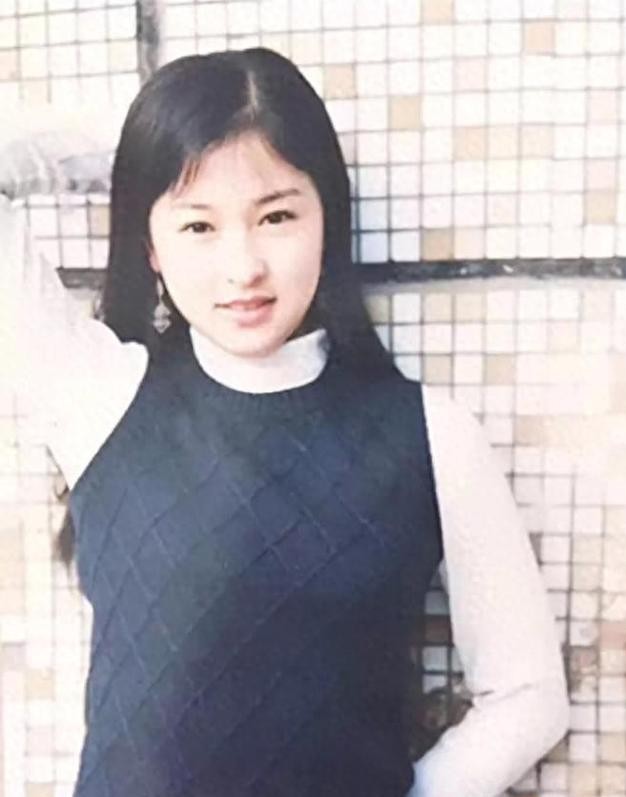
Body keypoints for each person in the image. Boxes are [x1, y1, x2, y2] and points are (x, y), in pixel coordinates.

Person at [1, 48, 569, 797]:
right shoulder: (97, 397)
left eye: (275, 216)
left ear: (326, 218)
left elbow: (530, 697)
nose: (243, 267)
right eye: (198, 226)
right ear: (151, 247)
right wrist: (148, 137)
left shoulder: (432, 436)